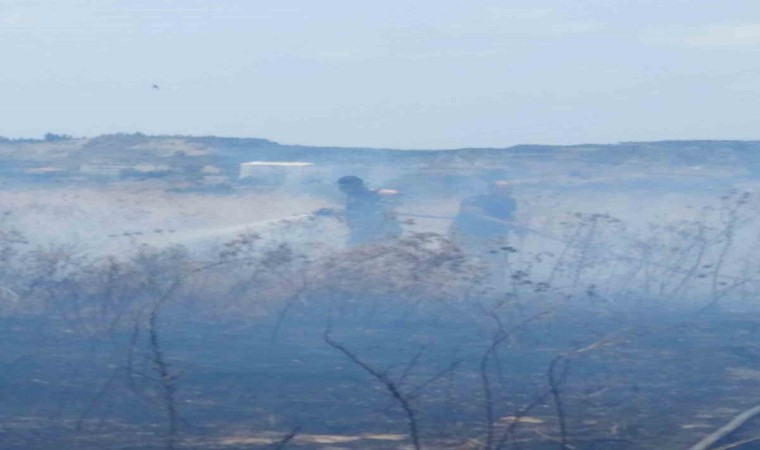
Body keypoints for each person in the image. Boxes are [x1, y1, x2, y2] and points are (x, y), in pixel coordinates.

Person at [450, 180, 517, 254]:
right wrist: (505, 223)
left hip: (494, 236)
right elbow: (475, 215)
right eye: (501, 189)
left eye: (507, 189)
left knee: (497, 256)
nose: (505, 191)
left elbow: (511, 218)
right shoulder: (476, 199)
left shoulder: (510, 202)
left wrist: (517, 227)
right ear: (491, 189)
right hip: (467, 233)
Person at [336, 175, 402, 246]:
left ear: (357, 186)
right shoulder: (352, 196)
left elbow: (394, 194)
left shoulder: (369, 193)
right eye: (341, 187)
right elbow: (352, 213)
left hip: (380, 228)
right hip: (363, 229)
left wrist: (385, 208)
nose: (342, 189)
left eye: (345, 187)